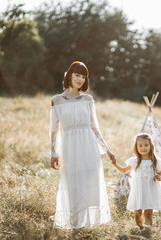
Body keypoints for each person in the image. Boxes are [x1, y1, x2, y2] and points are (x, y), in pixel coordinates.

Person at [50, 61, 115, 229]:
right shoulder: (57, 101)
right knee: (72, 185)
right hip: (69, 147)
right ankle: (74, 224)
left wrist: (107, 151)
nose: (80, 79)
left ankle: (88, 224)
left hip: (89, 146)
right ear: (69, 75)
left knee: (89, 184)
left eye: (83, 77)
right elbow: (54, 131)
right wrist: (53, 153)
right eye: (77, 75)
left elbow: (95, 127)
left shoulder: (88, 99)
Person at [111, 133, 161, 229]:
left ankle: (148, 228)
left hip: (150, 190)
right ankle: (140, 227)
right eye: (140, 146)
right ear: (136, 147)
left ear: (151, 146)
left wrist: (159, 177)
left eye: (146, 145)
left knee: (149, 210)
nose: (143, 148)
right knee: (138, 211)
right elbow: (124, 170)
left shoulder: (155, 161)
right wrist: (115, 165)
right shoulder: (135, 161)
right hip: (139, 190)